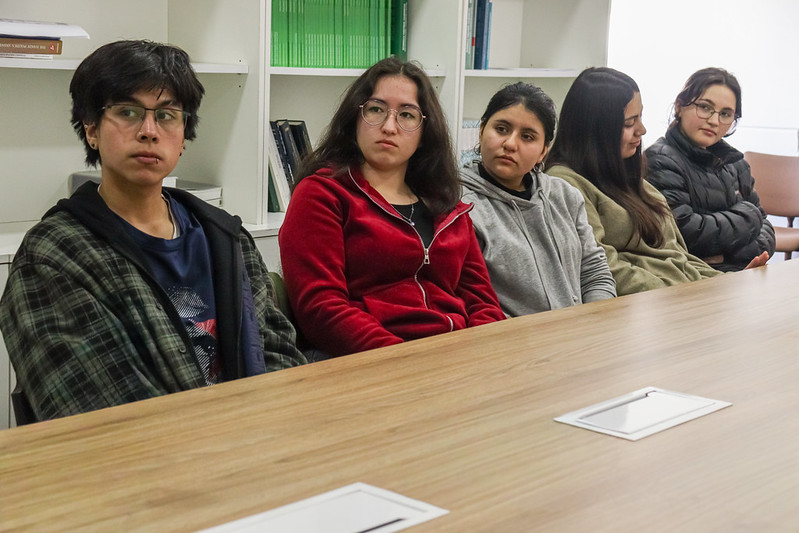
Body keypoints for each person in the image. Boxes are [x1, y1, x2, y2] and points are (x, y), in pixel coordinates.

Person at [0, 40, 306, 421]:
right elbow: (104, 416)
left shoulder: (226, 238)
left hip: (256, 439)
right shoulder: (52, 257)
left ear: (184, 134)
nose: (148, 131)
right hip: (149, 452)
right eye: (127, 112)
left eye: (166, 115)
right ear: (91, 129)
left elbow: (280, 360)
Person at [279, 57, 505, 358]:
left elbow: (483, 302)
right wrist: (404, 360)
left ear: (425, 131)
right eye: (376, 110)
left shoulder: (446, 205)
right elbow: (321, 308)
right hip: (369, 361)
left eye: (407, 115)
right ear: (355, 117)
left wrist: (482, 354)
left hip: (455, 355)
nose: (389, 127)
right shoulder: (322, 194)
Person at [545, 67, 760, 295]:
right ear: (597, 128)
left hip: (680, 294)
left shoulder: (626, 177)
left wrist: (724, 282)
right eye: (629, 123)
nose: (642, 130)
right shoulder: (564, 184)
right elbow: (602, 268)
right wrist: (692, 293)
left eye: (640, 117)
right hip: (650, 302)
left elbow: (679, 258)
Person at [460, 82, 615, 316]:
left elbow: (594, 272)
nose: (510, 144)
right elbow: (472, 300)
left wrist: (593, 322)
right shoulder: (460, 206)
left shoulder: (565, 195)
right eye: (501, 129)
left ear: (544, 150)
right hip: (511, 335)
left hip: (581, 330)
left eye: (527, 137)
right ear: (481, 130)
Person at [645, 68, 775, 271]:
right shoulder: (660, 159)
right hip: (691, 277)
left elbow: (766, 229)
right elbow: (684, 233)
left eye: (725, 114)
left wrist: (726, 255)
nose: (714, 121)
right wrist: (749, 216)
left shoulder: (736, 163)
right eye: (705, 108)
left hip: (737, 273)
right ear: (679, 106)